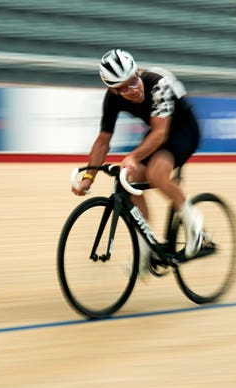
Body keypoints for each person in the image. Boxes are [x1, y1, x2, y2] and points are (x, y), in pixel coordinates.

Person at [72, 48, 204, 277]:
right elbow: (103, 141)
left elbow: (161, 134)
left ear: (137, 71)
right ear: (112, 89)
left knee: (156, 173)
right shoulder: (112, 99)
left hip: (184, 130)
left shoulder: (157, 83)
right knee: (129, 180)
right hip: (158, 132)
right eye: (124, 87)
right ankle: (146, 249)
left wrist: (132, 157)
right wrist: (88, 177)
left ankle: (195, 223)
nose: (133, 89)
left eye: (133, 80)